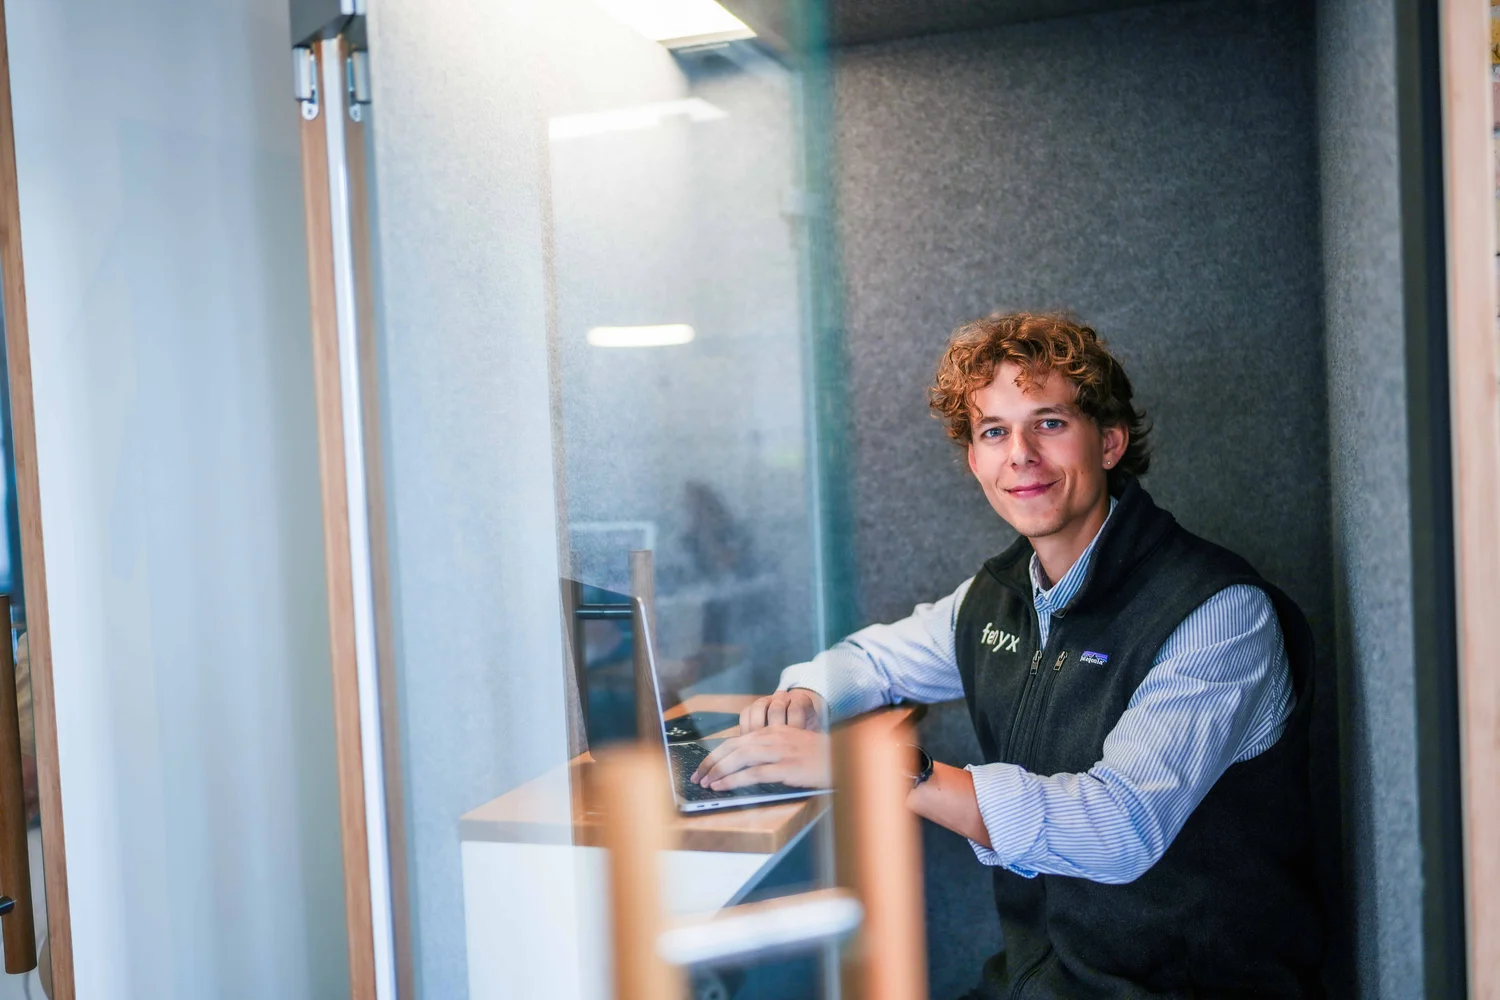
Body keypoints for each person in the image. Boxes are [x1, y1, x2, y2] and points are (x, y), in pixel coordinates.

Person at [690, 312, 1324, 999]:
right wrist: (807, 696)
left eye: (1048, 424)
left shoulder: (1216, 613)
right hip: (1039, 981)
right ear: (975, 460)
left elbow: (1119, 828)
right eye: (994, 431)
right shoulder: (996, 598)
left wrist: (879, 769)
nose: (1019, 453)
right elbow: (874, 660)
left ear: (1109, 443)